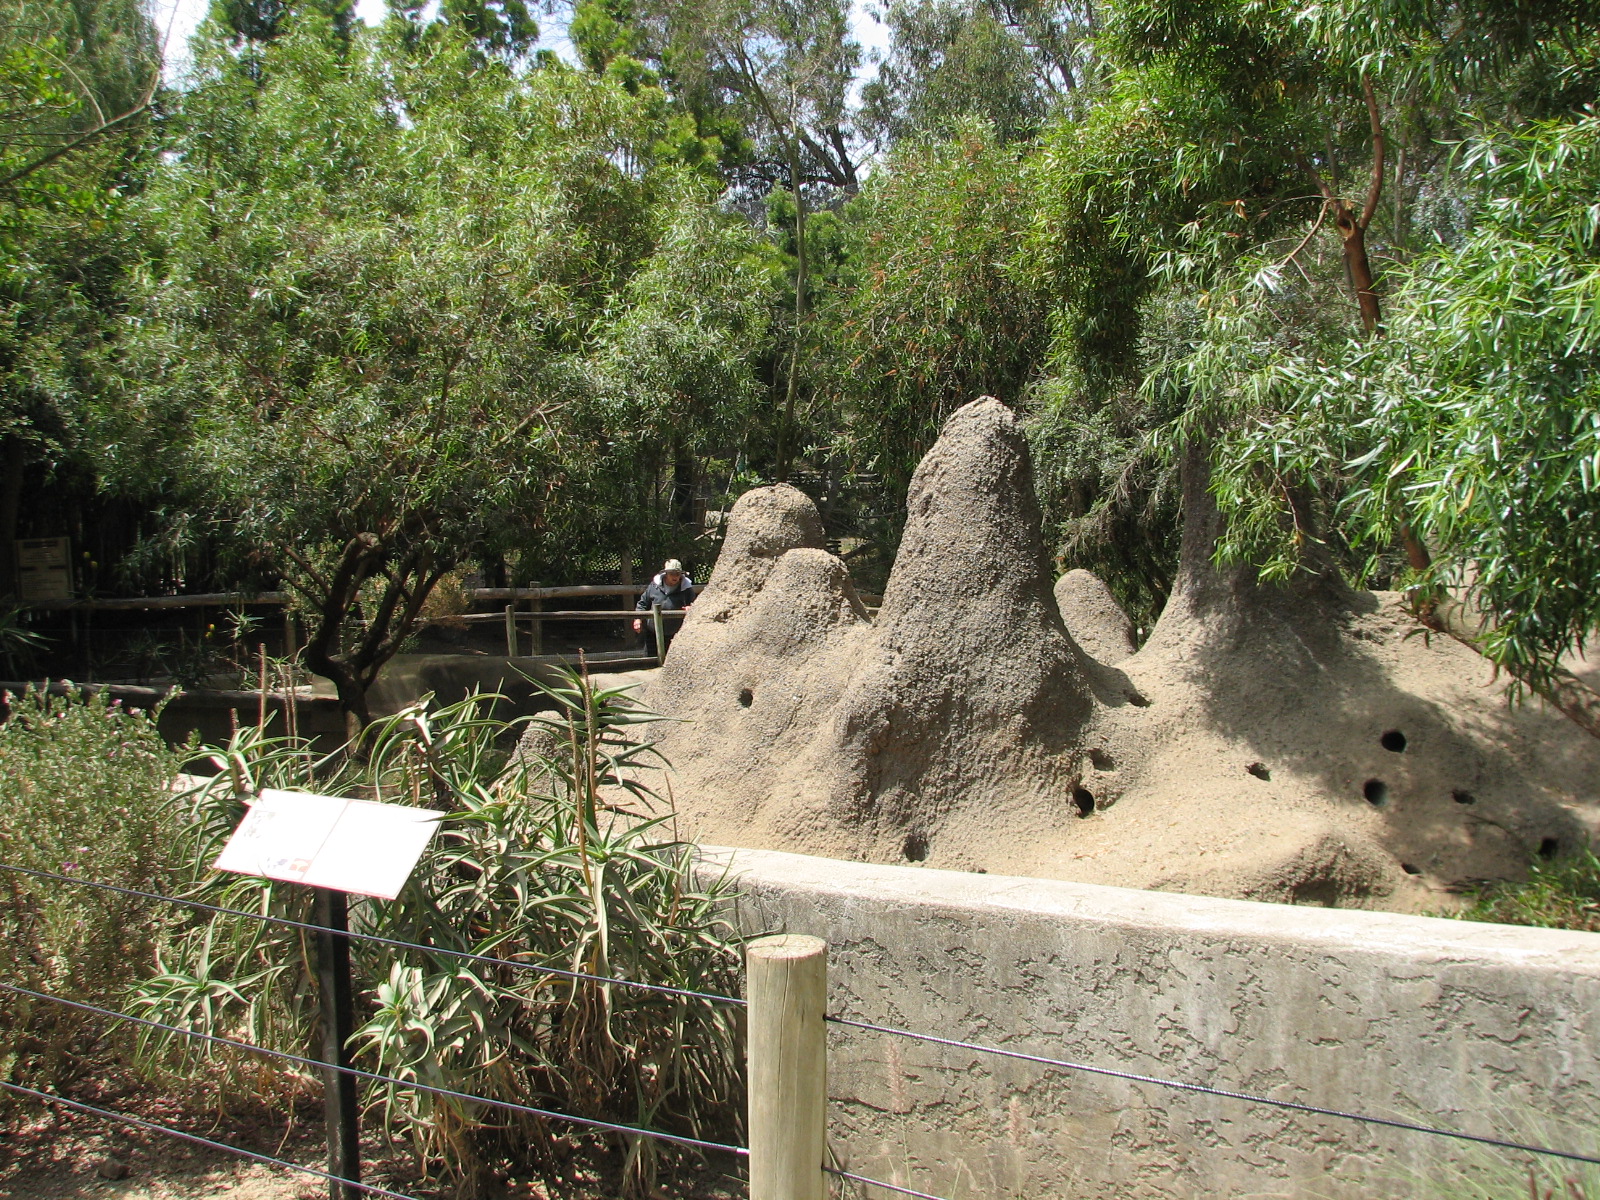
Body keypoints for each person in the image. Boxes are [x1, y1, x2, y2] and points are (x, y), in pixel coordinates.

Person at [633, 559, 695, 658]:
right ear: (666, 574)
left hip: (675, 633)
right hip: (653, 631)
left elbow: (694, 605)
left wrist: (691, 608)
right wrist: (637, 619)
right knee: (650, 660)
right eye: (672, 573)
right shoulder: (654, 586)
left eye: (678, 574)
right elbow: (643, 603)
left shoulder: (686, 589)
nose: (675, 576)